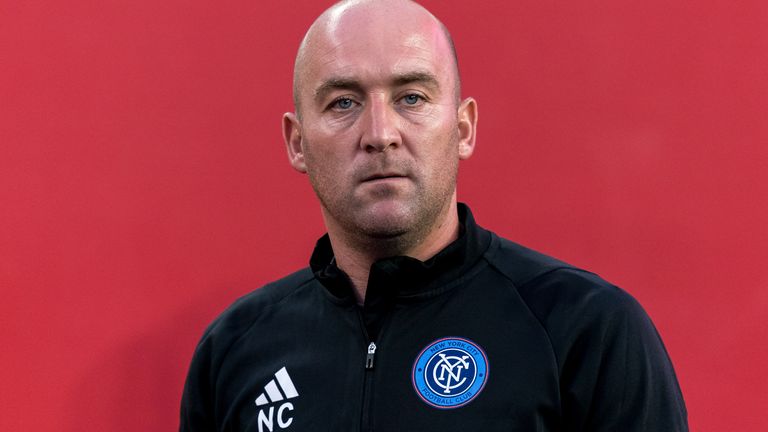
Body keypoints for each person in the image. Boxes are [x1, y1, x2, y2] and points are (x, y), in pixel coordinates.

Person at [180, 0, 688, 430]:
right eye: (343, 103)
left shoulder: (585, 330)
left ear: (463, 128)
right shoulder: (234, 352)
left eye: (412, 98)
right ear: (297, 143)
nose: (380, 132)